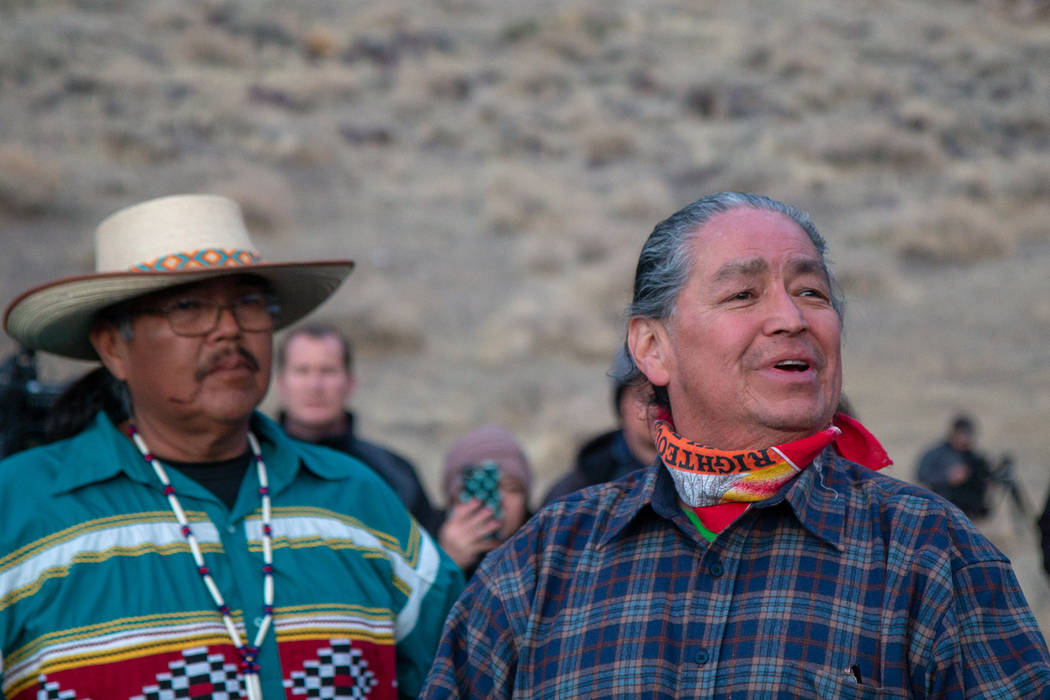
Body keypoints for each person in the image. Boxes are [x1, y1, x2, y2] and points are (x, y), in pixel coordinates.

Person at [421, 192, 1050, 697]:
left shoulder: (931, 557)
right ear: (652, 348)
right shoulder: (539, 567)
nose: (792, 318)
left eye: (811, 292)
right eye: (743, 294)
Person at [0, 194, 462, 700]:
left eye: (248, 303)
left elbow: (464, 672)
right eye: (188, 306)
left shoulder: (359, 504)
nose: (229, 329)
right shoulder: (21, 511)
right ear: (114, 347)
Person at [274, 324, 442, 534]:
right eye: (302, 371)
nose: (314, 385)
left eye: (328, 371)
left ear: (349, 383)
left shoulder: (395, 474)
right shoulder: (253, 469)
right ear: (281, 384)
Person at [542, 347, 656, 506]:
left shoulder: (698, 482)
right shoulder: (573, 495)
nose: (656, 407)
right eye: (645, 397)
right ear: (621, 404)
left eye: (667, 395)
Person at [437, 425, 533, 580]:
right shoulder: (423, 546)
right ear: (454, 499)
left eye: (512, 488)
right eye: (484, 486)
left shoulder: (545, 545)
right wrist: (445, 564)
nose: (499, 500)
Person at [915, 414, 993, 520]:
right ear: (953, 433)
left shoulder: (975, 458)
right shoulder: (937, 454)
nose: (965, 439)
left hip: (971, 509)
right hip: (944, 506)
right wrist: (948, 477)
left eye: (968, 434)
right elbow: (921, 475)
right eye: (962, 434)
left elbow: (985, 480)